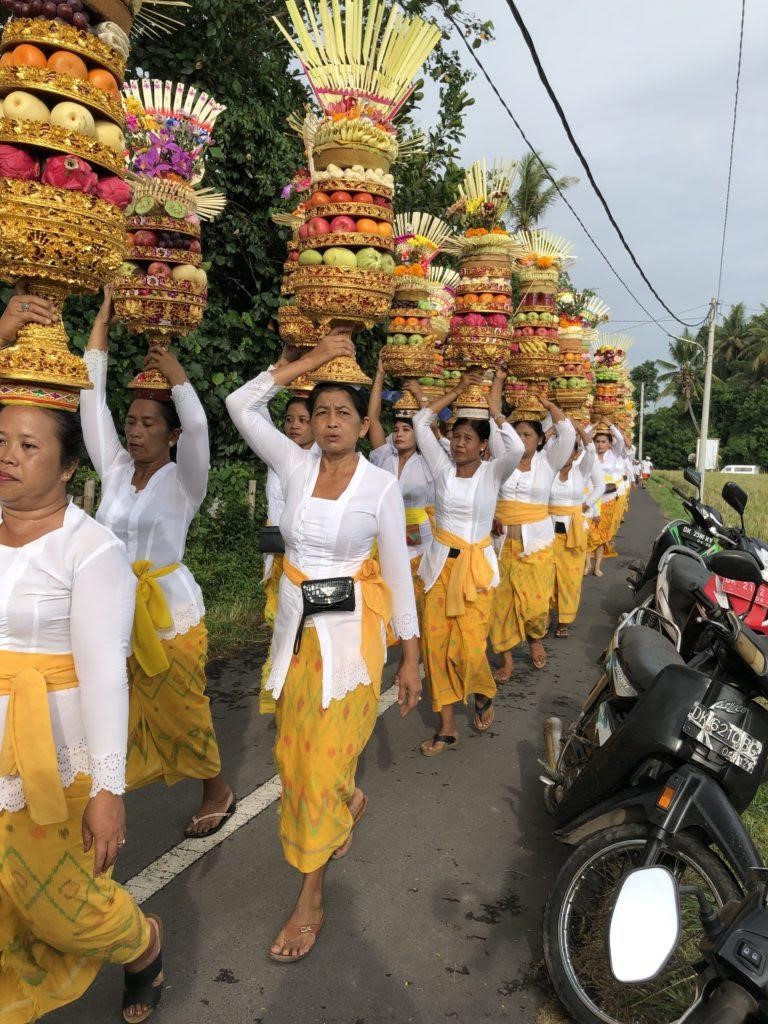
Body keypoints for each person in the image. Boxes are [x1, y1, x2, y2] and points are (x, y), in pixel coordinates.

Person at [226, 330, 421, 963]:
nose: (331, 423)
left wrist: (411, 657)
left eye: (345, 412)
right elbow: (239, 405)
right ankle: (346, 801)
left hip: (351, 648)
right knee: (295, 760)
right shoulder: (295, 465)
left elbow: (396, 574)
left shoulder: (379, 487)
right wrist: (303, 365)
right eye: (322, 413)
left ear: (364, 422)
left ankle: (309, 898)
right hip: (294, 641)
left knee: (315, 771)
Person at [0, 340, 164, 1019]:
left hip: (51, 762)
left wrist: (108, 790)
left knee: (61, 906)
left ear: (69, 466)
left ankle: (143, 943)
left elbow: (104, 678)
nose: (7, 454)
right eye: (0, 439)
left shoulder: (91, 549)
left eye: (28, 446)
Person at [80, 289, 234, 840]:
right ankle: (101, 796)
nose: (135, 430)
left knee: (182, 710)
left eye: (149, 423)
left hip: (170, 613)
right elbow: (89, 399)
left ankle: (215, 788)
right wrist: (102, 321)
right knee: (103, 706)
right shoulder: (117, 470)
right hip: (112, 610)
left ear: (169, 435)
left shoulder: (184, 481)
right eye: (132, 421)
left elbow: (200, 429)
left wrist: (171, 365)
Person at [404, 370, 524, 752]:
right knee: (435, 649)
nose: (458, 444)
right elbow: (422, 421)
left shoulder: (492, 473)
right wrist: (456, 391)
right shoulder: (441, 469)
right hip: (439, 567)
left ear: (483, 446)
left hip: (476, 571)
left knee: (470, 647)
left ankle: (482, 688)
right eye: (455, 436)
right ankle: (446, 727)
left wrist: (495, 407)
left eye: (467, 438)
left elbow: (517, 450)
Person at [488, 396, 575, 683]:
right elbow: (493, 413)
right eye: (517, 433)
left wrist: (548, 404)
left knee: (536, 607)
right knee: (501, 607)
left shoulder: (548, 462)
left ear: (539, 440)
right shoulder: (503, 461)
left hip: (536, 547)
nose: (521, 439)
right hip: (500, 547)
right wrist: (499, 381)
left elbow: (569, 433)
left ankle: (535, 637)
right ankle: (507, 659)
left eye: (527, 434)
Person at [259, 392, 316, 716]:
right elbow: (252, 408)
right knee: (278, 625)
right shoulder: (277, 453)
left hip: (306, 561)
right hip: (276, 559)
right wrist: (284, 362)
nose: (294, 426)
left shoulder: (325, 460)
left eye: (303, 420)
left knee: (305, 630)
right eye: (289, 419)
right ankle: (287, 691)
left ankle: (303, 692)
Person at [368, 355, 435, 605]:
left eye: (406, 430)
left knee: (416, 597)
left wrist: (419, 394)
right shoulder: (385, 456)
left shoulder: (428, 460)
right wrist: (380, 375)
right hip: (385, 533)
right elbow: (373, 419)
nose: (399, 434)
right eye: (396, 430)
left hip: (418, 540)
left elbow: (430, 424)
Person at [549, 424, 606, 638]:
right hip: (547, 532)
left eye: (568, 450)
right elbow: (537, 448)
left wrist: (578, 429)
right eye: (559, 449)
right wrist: (556, 429)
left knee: (569, 579)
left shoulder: (580, 471)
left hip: (573, 532)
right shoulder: (548, 470)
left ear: (576, 453)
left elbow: (590, 450)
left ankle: (564, 620)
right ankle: (545, 614)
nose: (562, 454)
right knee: (547, 576)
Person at [585, 423, 624, 577]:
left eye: (603, 442)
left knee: (602, 536)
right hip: (592, 498)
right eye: (597, 441)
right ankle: (587, 564)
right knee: (588, 533)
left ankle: (597, 567)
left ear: (609, 444)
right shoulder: (589, 455)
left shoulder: (613, 455)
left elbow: (620, 440)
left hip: (607, 500)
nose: (600, 444)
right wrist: (594, 425)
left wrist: (609, 424)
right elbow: (584, 437)